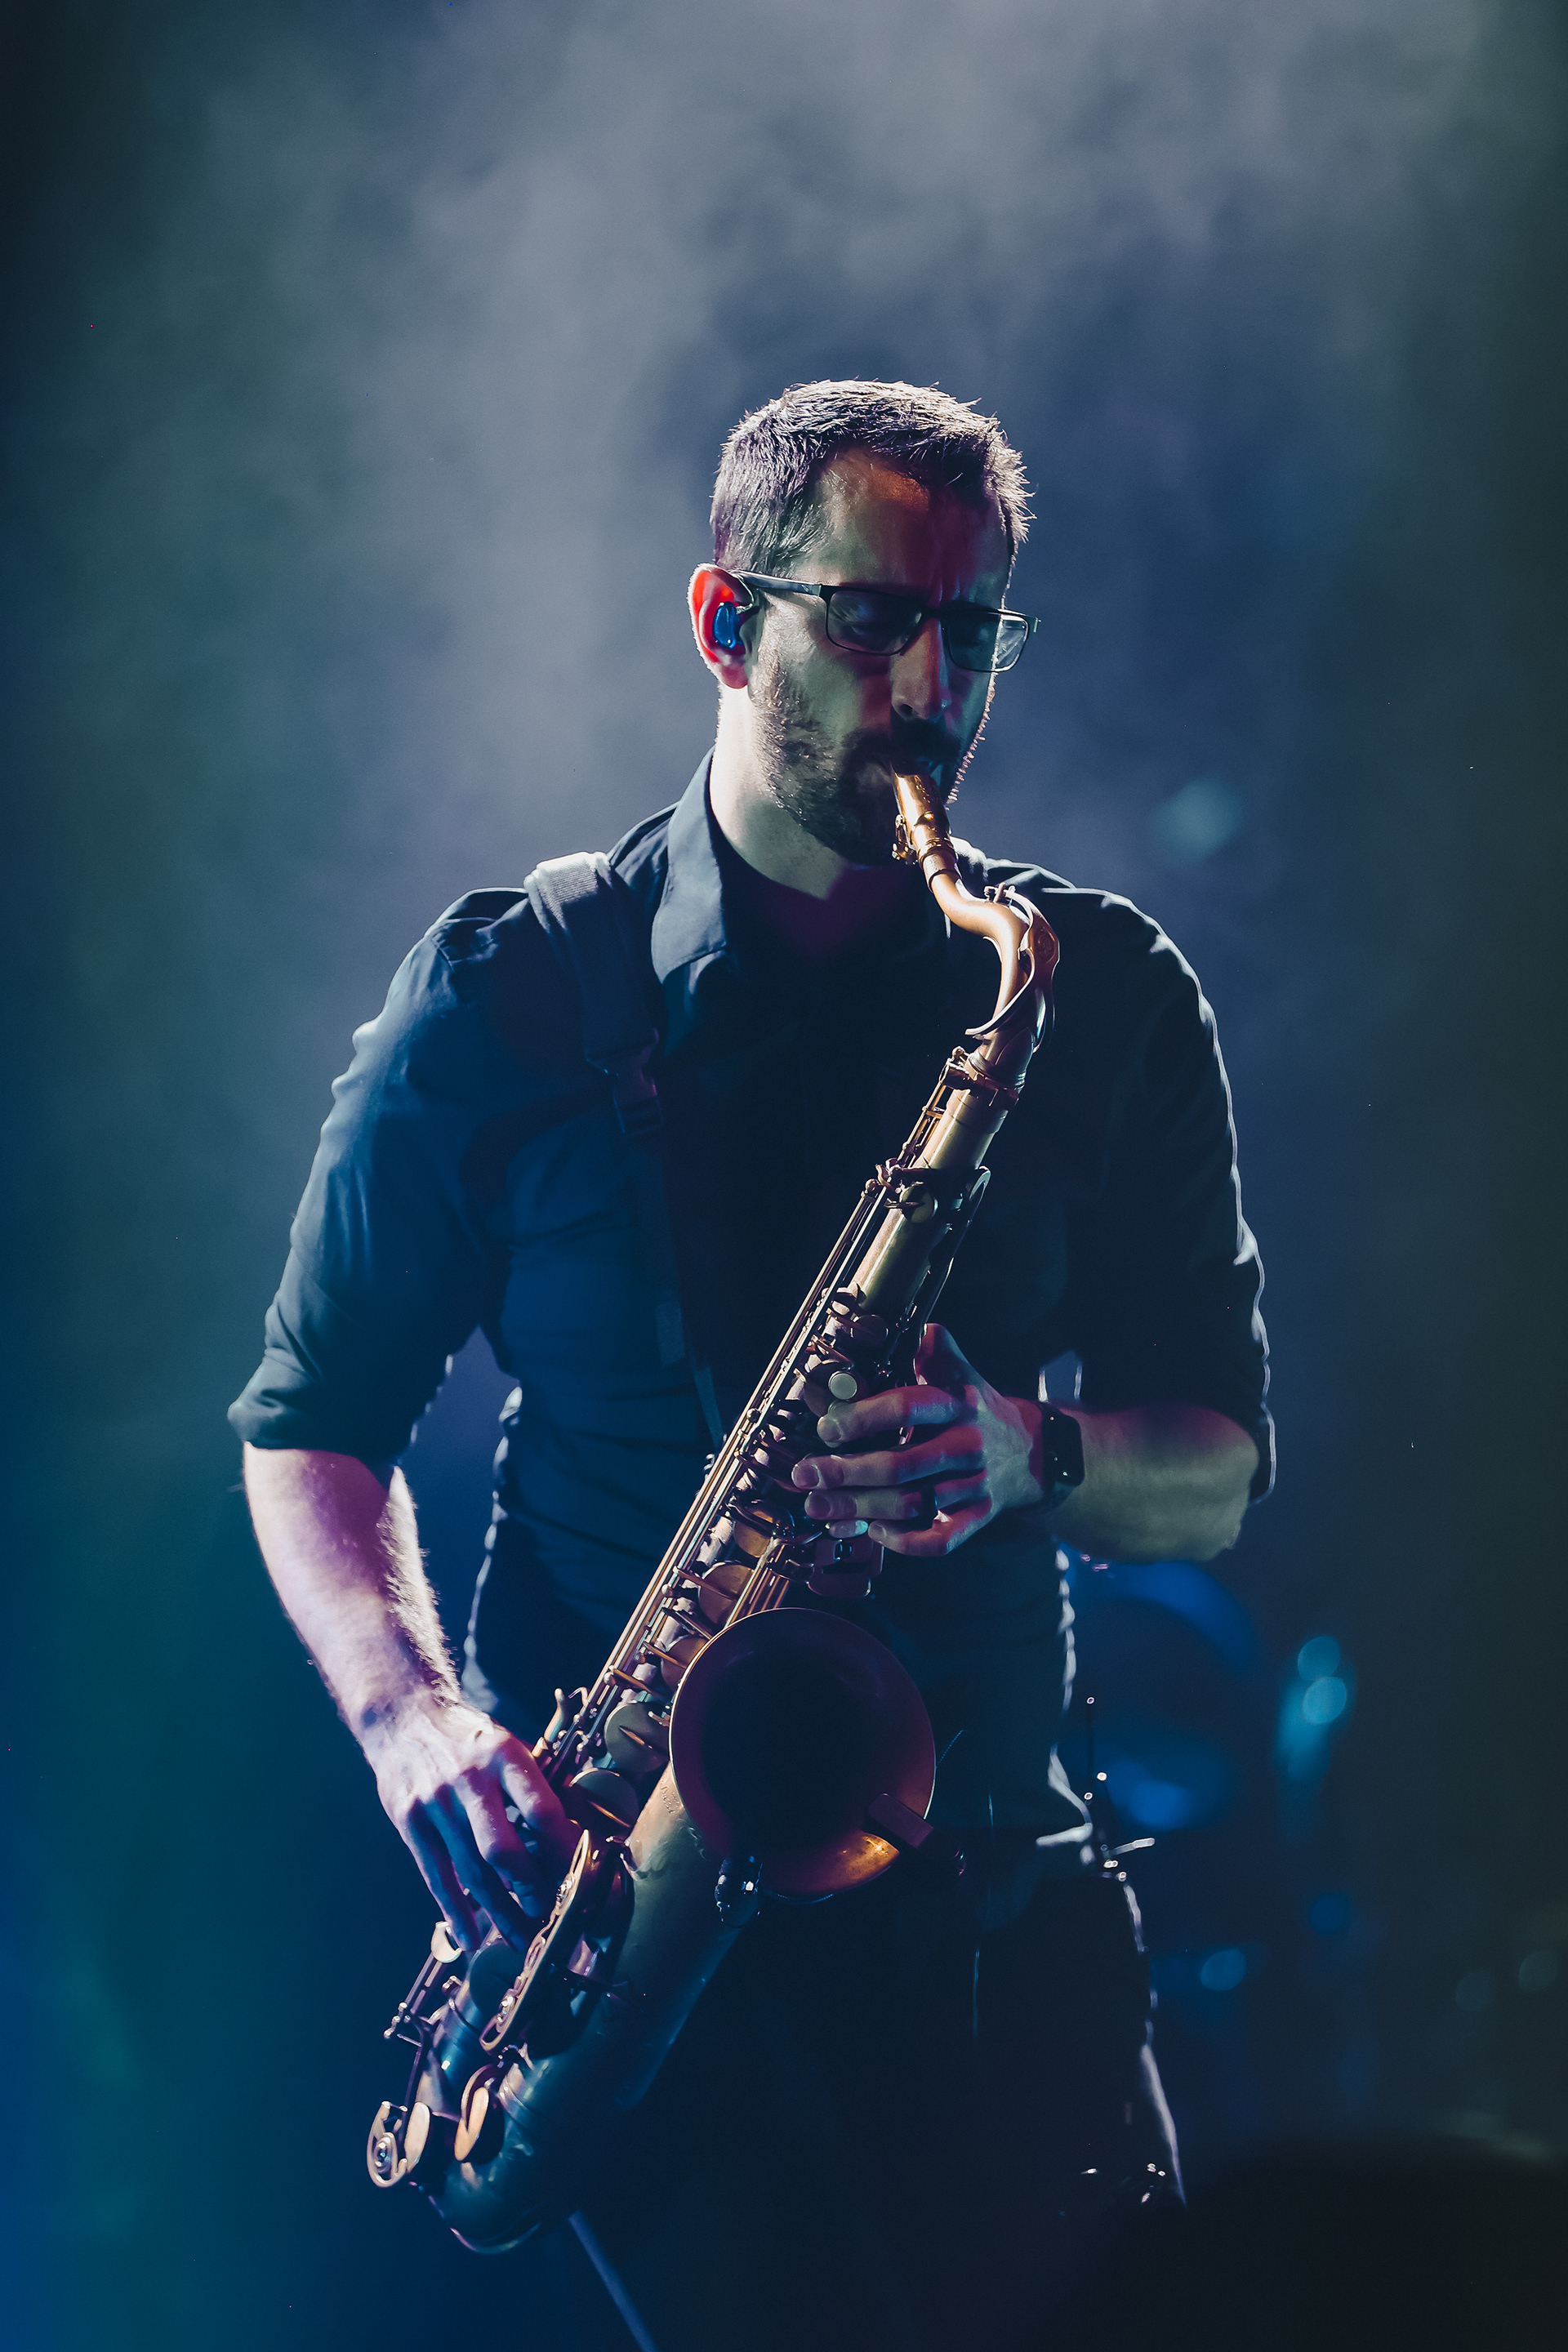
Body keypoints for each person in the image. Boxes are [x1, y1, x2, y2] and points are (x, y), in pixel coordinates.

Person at [232, 379, 1272, 2350]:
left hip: (997, 1919)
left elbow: (1216, 1471)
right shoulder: (506, 995)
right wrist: (408, 1718)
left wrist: (1032, 1452)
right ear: (727, 622)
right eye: (875, 622)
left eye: (974, 632)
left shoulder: (1100, 996)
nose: (934, 692)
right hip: (643, 1938)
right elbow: (312, 1424)